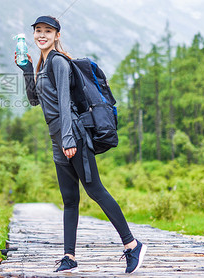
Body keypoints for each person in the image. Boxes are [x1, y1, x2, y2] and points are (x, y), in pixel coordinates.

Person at [14, 15, 147, 274]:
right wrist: (27, 70)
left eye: (47, 31)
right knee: (70, 200)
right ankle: (69, 257)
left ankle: (132, 245)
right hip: (59, 139)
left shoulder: (59, 62)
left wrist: (68, 139)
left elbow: (65, 102)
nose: (42, 35)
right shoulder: (42, 64)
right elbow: (33, 100)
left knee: (95, 190)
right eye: (38, 31)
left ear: (57, 35)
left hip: (72, 136)